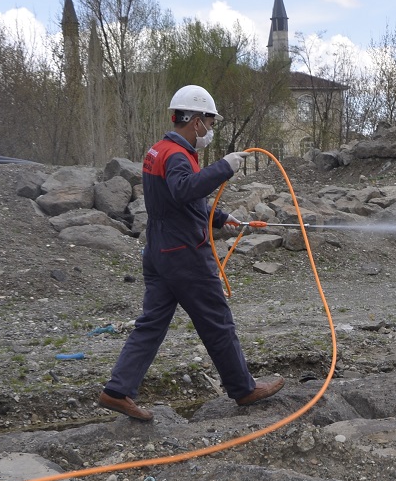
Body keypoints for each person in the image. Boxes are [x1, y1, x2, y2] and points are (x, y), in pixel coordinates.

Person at [97, 85, 284, 421]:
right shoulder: (178, 156)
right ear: (195, 120)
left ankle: (117, 391)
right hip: (184, 254)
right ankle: (243, 389)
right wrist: (224, 167)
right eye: (209, 124)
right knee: (218, 322)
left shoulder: (159, 150)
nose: (210, 131)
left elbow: (178, 201)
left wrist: (224, 218)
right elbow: (184, 190)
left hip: (159, 250)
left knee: (151, 324)